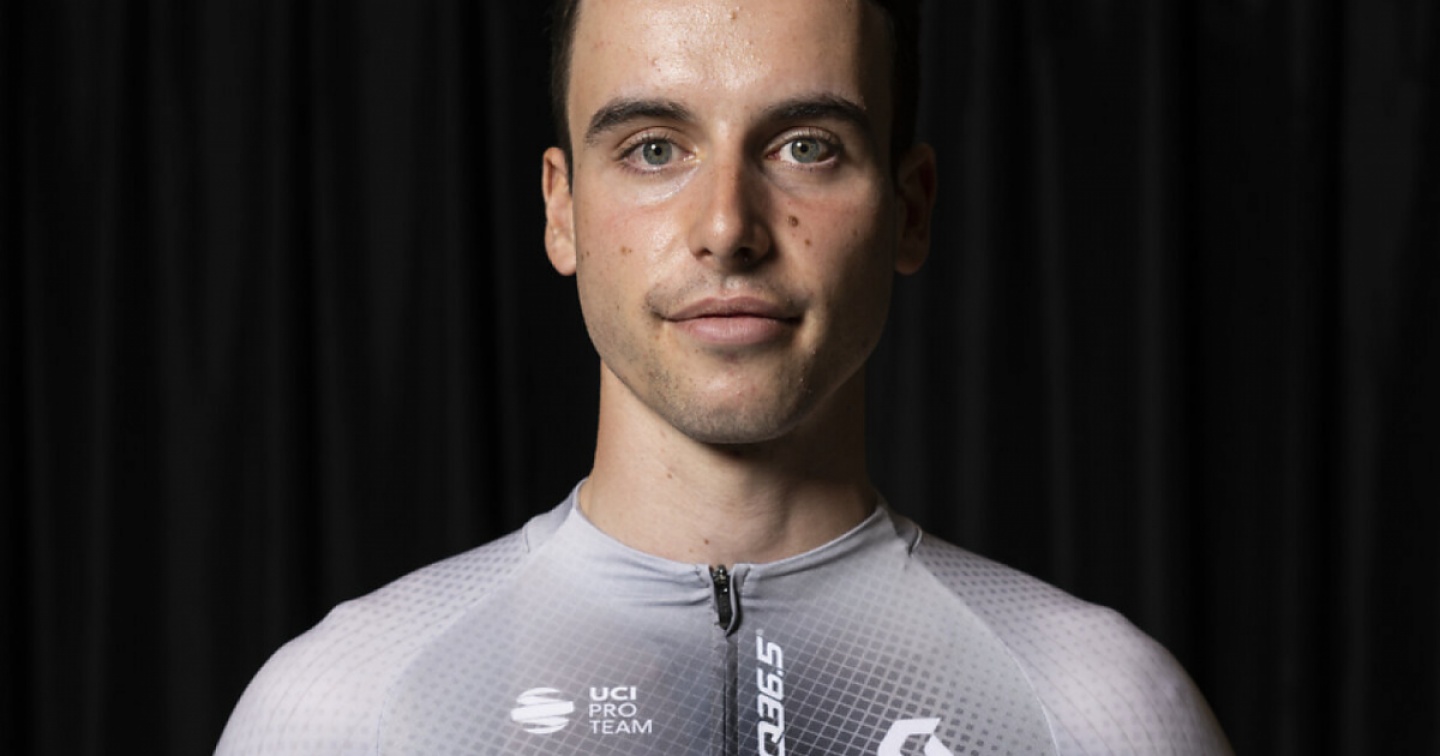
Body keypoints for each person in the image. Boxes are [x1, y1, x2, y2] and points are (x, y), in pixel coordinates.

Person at [216, 0, 1232, 753]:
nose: (726, 228)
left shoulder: (1101, 714)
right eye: (655, 148)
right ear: (561, 211)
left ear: (911, 209)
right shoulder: (342, 713)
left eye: (806, 147)